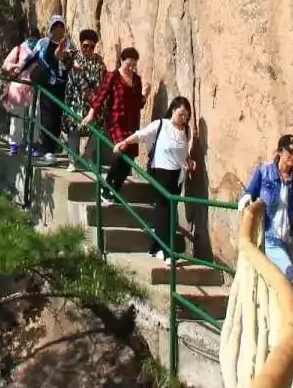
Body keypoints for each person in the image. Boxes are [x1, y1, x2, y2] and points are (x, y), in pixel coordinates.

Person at [113, 96, 196, 260]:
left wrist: (189, 161)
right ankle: (167, 251)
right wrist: (123, 143)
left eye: (186, 116)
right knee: (165, 210)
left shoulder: (185, 131)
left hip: (178, 176)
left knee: (168, 210)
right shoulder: (161, 125)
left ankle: (155, 247)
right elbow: (140, 135)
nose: (183, 119)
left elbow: (183, 152)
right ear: (173, 110)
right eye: (181, 114)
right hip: (161, 172)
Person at [238, 133, 293, 285]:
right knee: (288, 275)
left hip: (292, 237)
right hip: (270, 235)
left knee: (286, 282)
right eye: (290, 152)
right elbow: (250, 191)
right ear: (280, 152)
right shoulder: (264, 171)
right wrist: (246, 199)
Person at [81, 48, 148, 197]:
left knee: (130, 157)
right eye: (128, 64)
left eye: (134, 65)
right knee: (122, 152)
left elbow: (138, 103)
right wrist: (92, 113)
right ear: (121, 61)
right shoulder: (113, 76)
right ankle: (106, 187)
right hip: (116, 121)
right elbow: (101, 96)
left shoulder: (137, 79)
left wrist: (144, 97)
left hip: (132, 123)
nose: (131, 68)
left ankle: (113, 191)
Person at [16, 16, 71, 162]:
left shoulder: (68, 44)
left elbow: (71, 62)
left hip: (62, 85)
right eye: (56, 27)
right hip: (47, 85)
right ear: (51, 29)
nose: (59, 30)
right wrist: (19, 70)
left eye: (62, 28)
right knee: (47, 116)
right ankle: (47, 150)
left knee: (58, 118)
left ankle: (52, 148)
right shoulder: (43, 43)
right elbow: (31, 58)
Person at [63, 28, 107, 158]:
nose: (88, 49)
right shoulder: (74, 55)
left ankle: (87, 155)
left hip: (93, 101)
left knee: (97, 128)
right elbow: (60, 56)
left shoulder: (99, 61)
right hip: (76, 100)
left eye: (92, 46)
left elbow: (104, 79)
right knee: (73, 127)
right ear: (81, 44)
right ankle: (72, 159)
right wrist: (60, 46)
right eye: (85, 46)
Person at [0, 30, 42, 156]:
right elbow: (5, 65)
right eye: (31, 38)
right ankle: (14, 145)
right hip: (18, 85)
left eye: (35, 38)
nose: (33, 41)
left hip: (33, 87)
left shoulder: (40, 50)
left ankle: (32, 144)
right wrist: (16, 65)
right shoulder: (18, 49)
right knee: (16, 116)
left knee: (35, 116)